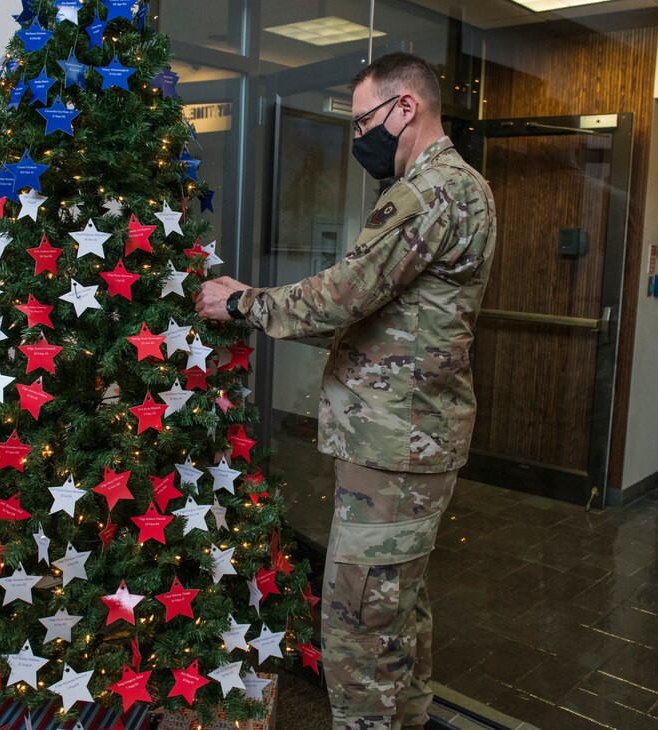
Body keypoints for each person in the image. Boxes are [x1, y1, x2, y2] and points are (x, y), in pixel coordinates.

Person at [197, 52, 497, 730]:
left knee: (358, 626)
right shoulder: (463, 185)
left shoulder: (431, 190)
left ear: (406, 108)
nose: (359, 135)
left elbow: (343, 295)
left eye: (364, 120)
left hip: (397, 442)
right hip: (407, 436)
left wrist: (240, 300)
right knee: (397, 610)